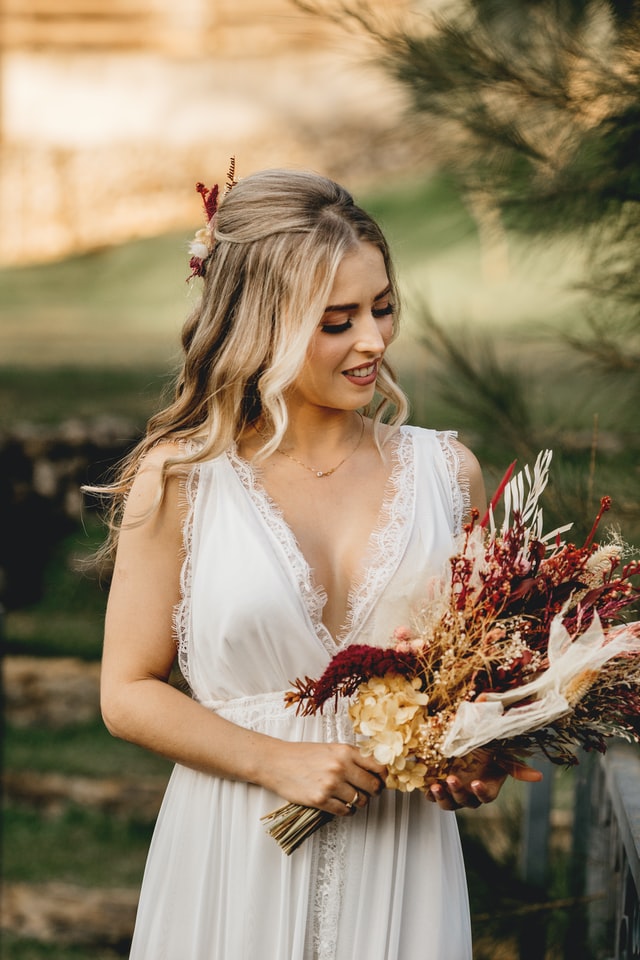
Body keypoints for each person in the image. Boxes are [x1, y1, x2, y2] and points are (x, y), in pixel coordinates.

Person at [99, 168, 541, 959]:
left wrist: (476, 754)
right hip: (234, 847)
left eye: (381, 308)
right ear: (258, 325)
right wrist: (276, 761)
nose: (373, 340)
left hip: (401, 857)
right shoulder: (182, 480)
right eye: (337, 321)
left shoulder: (450, 475)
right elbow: (126, 693)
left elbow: (476, 678)